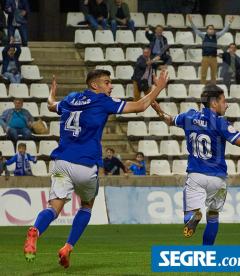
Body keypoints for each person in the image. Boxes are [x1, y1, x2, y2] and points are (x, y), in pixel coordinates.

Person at [23, 68, 170, 267]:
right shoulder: (102, 101)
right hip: (85, 164)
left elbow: (50, 106)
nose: (111, 86)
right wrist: (158, 87)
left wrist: (52, 92)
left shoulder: (71, 98)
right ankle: (68, 247)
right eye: (107, 82)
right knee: (87, 206)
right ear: (95, 85)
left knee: (54, 208)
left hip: (62, 162)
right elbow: (140, 106)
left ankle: (35, 230)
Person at [151, 84, 240, 245]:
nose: (226, 105)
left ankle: (192, 218)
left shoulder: (189, 117)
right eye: (224, 101)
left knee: (189, 213)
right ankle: (207, 254)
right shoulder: (221, 123)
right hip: (218, 179)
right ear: (213, 103)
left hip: (196, 175)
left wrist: (158, 110)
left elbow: (169, 120)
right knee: (213, 216)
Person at [188, 14, 234, 84]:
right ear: (207, 30)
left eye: (212, 29)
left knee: (213, 76)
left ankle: (213, 89)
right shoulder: (203, 36)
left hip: (213, 58)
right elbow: (196, 30)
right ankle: (202, 89)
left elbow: (223, 31)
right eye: (210, 29)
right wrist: (191, 22)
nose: (211, 30)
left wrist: (229, 23)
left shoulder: (216, 36)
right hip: (205, 58)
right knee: (203, 75)